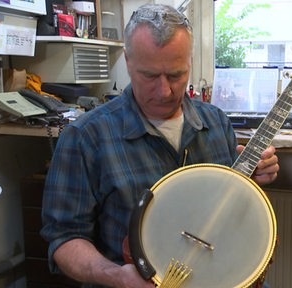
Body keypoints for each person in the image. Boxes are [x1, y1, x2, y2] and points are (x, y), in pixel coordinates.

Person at [40, 4, 279, 288]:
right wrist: (115, 276)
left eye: (176, 75)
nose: (164, 91)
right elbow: (64, 239)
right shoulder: (85, 137)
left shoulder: (216, 123)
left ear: (189, 62)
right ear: (128, 62)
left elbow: (227, 216)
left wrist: (251, 181)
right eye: (150, 76)